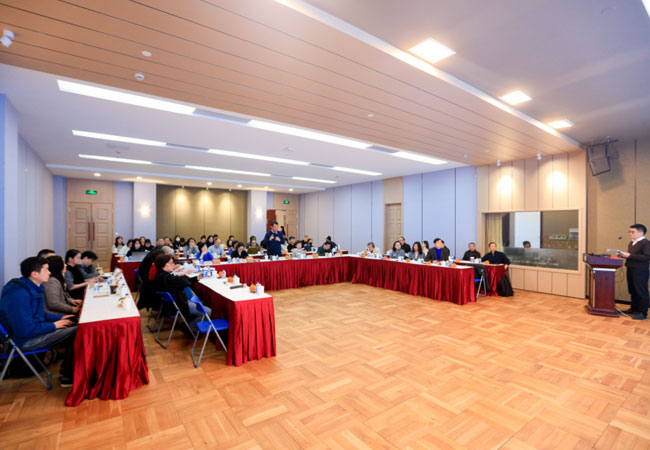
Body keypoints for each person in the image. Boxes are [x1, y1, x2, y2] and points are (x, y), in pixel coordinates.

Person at [0, 257, 77, 387]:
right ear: (34, 274)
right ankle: (68, 376)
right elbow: (25, 330)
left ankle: (68, 370)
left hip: (33, 333)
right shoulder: (19, 295)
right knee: (77, 331)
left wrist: (59, 318)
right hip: (23, 341)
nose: (49, 273)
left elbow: (40, 315)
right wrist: (54, 326)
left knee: (75, 324)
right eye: (46, 270)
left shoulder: (35, 287)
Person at [154, 255, 210, 331]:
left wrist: (196, 278)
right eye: (171, 263)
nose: (173, 264)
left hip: (177, 302)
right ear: (165, 264)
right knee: (208, 312)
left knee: (200, 302)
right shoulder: (166, 278)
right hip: (180, 305)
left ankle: (189, 322)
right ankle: (190, 327)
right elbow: (184, 282)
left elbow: (182, 281)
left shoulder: (162, 275)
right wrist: (179, 274)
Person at [618, 224, 650, 320]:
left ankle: (643, 313)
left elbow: (646, 257)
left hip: (640, 270)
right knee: (633, 290)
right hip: (631, 269)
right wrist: (623, 255)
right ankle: (634, 309)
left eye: (632, 232)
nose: (630, 233)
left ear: (641, 233)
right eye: (629, 231)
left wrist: (629, 255)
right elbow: (633, 256)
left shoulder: (646, 243)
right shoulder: (631, 243)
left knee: (641, 291)